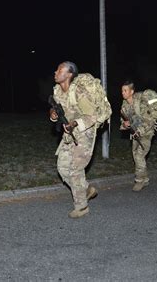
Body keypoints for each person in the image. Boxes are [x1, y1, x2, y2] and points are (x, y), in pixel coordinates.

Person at [49, 61, 101, 218]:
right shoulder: (58, 91)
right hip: (69, 133)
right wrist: (53, 115)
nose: (55, 72)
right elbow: (57, 112)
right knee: (62, 167)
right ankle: (85, 190)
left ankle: (81, 207)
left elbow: (92, 116)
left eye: (59, 70)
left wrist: (75, 123)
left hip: (85, 133)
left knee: (75, 169)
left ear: (69, 74)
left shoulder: (79, 92)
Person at [120, 80, 157, 192]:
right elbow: (124, 120)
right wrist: (125, 124)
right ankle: (145, 179)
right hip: (135, 134)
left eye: (125, 90)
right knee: (136, 156)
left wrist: (139, 131)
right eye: (122, 90)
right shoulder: (125, 104)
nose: (123, 93)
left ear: (132, 91)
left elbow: (149, 121)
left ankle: (139, 181)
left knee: (139, 156)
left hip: (146, 133)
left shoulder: (141, 102)